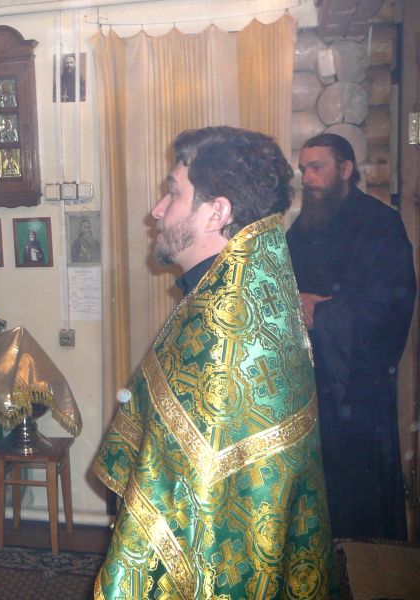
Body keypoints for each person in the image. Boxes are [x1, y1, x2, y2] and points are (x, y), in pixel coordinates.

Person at [93, 127, 335, 598]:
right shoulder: (249, 295)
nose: (157, 210)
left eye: (173, 193)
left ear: (217, 212)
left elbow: (192, 507)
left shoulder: (224, 334)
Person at [286, 133, 416, 541]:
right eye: (304, 169)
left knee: (359, 506)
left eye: (316, 167)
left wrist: (323, 313)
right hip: (311, 388)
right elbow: (282, 285)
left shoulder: (380, 224)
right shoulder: (303, 227)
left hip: (359, 393)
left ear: (345, 169)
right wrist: (296, 302)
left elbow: (391, 304)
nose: (307, 178)